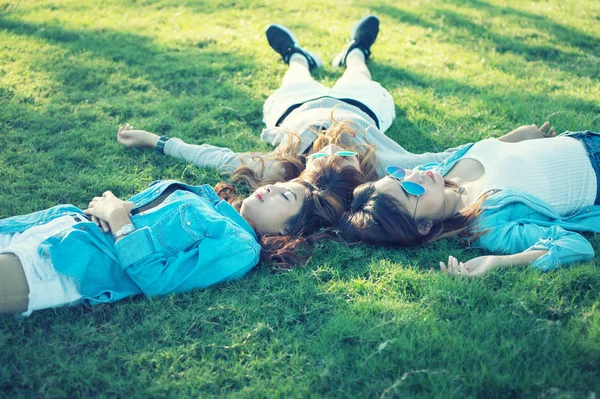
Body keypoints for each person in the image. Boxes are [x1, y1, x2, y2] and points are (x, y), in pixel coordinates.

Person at [0, 150, 366, 315]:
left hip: (66, 265)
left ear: (287, 231)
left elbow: (157, 281)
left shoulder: (239, 247)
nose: (271, 188)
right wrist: (121, 206)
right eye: (283, 185)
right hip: (53, 225)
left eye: (285, 196)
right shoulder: (208, 198)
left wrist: (119, 220)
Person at [117, 15, 462, 187]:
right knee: (358, 72)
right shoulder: (386, 166)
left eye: (321, 158)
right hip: (361, 105)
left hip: (294, 106)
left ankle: (296, 55)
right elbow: (447, 158)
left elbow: (216, 158)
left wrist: (155, 141)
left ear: (306, 171)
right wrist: (505, 142)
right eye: (346, 155)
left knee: (295, 74)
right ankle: (356, 50)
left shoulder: (283, 168)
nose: (331, 147)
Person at [339, 126, 600, 277]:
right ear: (423, 226)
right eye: (409, 189)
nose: (415, 174)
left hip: (586, 138)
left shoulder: (439, 170)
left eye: (398, 174)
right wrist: (497, 262)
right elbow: (575, 245)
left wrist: (519, 136)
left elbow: (495, 150)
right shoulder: (489, 226)